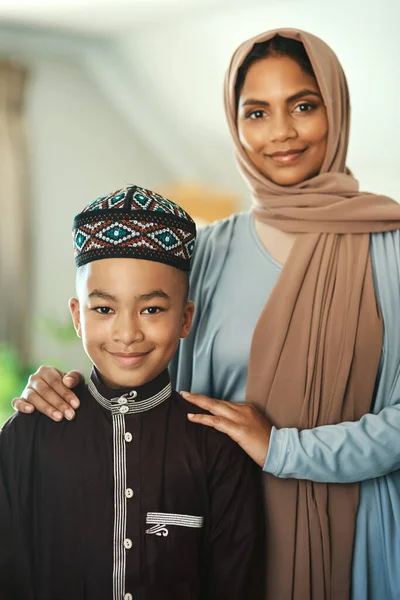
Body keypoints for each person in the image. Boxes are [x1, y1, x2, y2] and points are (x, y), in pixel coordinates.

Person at [12, 28, 400, 600]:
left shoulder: (390, 249)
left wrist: (285, 449)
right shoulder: (207, 252)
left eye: (303, 105)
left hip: (358, 526)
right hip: (202, 522)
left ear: (335, 108)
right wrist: (61, 390)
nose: (282, 132)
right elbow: (137, 347)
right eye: (256, 112)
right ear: (235, 123)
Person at [0, 185, 264, 600]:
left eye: (152, 309)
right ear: (77, 317)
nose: (127, 334)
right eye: (104, 309)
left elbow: (237, 583)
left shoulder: (218, 447)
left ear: (185, 317)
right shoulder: (28, 435)